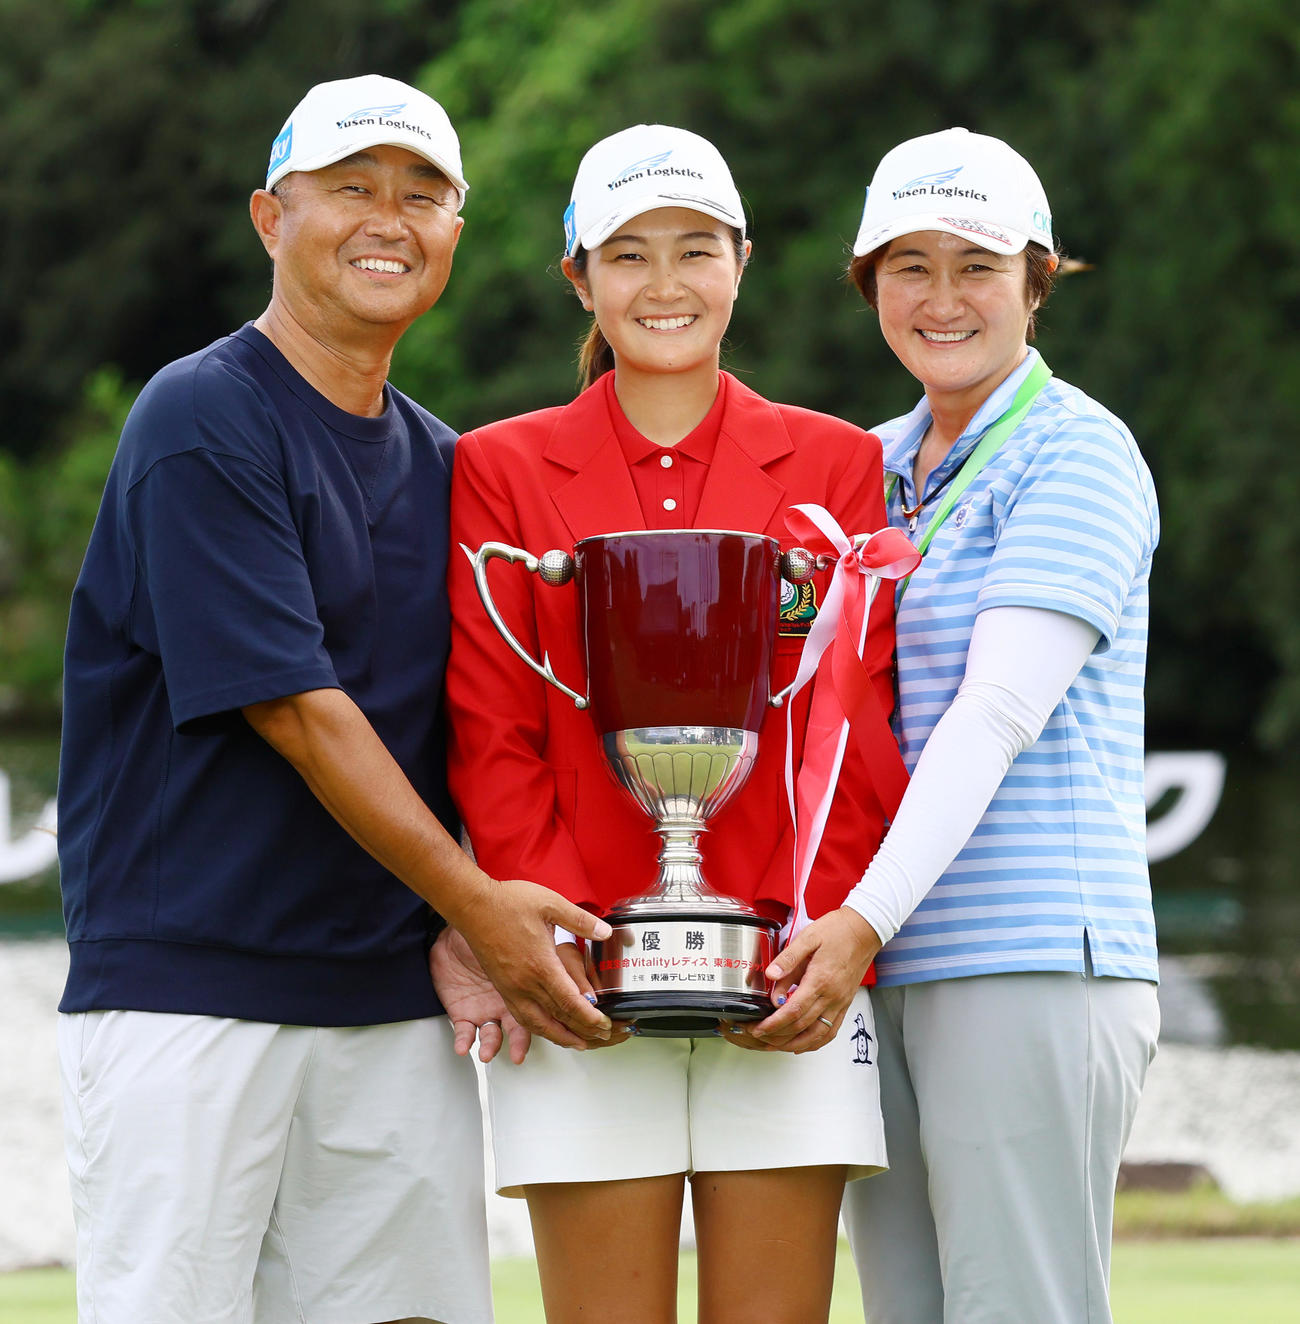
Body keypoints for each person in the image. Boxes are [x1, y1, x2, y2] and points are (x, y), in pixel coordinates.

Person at [55, 74, 614, 1324]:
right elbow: (298, 711)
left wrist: (466, 915)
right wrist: (479, 906)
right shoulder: (202, 415)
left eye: (422, 195)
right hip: (191, 995)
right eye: (351, 188)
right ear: (272, 217)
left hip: (389, 1006)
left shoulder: (449, 461)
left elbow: (475, 725)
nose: (388, 219)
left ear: (456, 232)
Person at [440, 124, 901, 1324]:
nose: (664, 283)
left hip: (786, 969)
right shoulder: (498, 467)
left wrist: (825, 929)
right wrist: (554, 935)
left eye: (694, 249)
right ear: (579, 277)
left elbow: (853, 727)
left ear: (741, 262)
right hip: (578, 975)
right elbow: (493, 724)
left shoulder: (838, 462)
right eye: (628, 253)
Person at [759, 127, 1161, 1323]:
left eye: (976, 265)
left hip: (1028, 959)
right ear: (869, 284)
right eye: (909, 266)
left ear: (1035, 280)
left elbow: (993, 713)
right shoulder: (868, 466)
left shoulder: (1076, 451)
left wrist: (857, 918)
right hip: (878, 961)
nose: (942, 299)